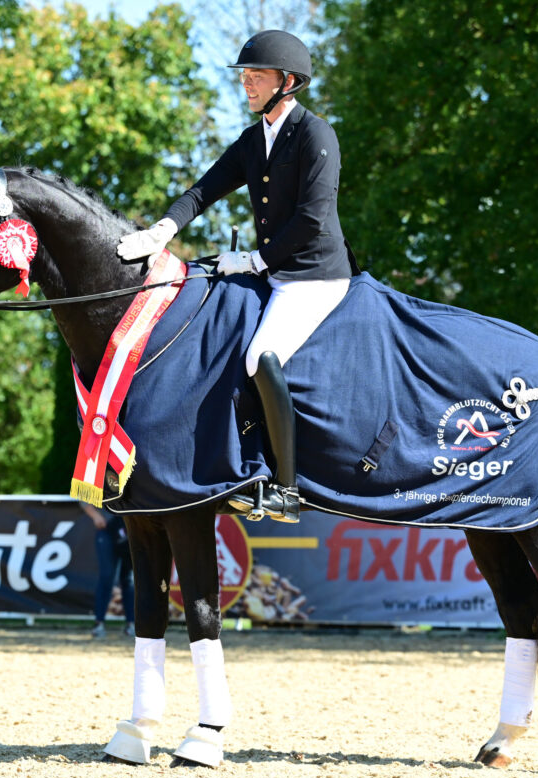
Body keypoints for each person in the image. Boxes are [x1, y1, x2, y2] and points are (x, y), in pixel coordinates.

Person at [116, 30, 356, 523]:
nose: (246, 84)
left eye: (256, 76)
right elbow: (204, 190)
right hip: (275, 271)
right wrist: (161, 231)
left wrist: (255, 261)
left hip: (313, 277)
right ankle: (241, 465)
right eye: (244, 76)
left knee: (258, 355)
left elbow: (312, 219)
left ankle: (286, 489)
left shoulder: (316, 135)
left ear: (287, 82)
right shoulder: (254, 140)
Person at [83, 502, 134, 637]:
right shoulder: (99, 479)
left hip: (130, 527)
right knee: (107, 576)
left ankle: (132, 624)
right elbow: (81, 493)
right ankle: (99, 623)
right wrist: (95, 516)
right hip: (106, 527)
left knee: (129, 578)